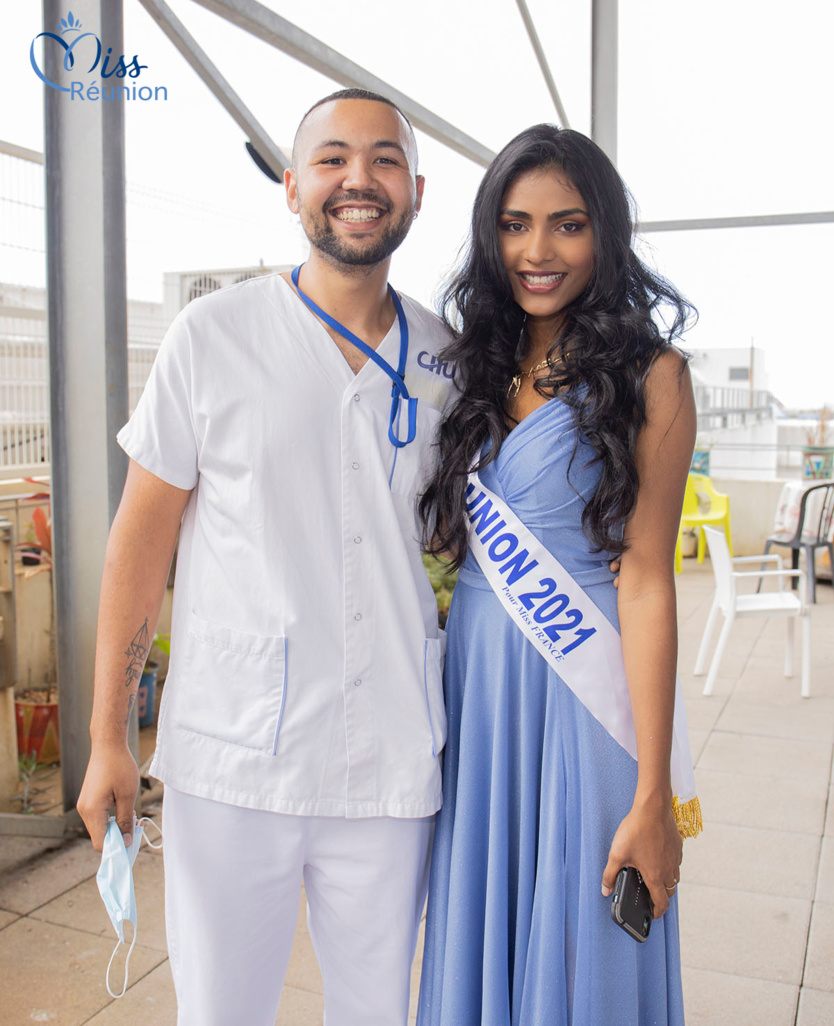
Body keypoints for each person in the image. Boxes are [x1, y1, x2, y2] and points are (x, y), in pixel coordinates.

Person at [76, 88, 455, 1026]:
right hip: (236, 759)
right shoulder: (215, 336)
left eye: (384, 160)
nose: (357, 179)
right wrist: (107, 738)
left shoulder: (451, 357)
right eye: (331, 159)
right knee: (221, 1013)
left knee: (378, 1013)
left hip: (390, 762)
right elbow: (139, 546)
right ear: (292, 188)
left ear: (416, 189)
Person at [416, 124, 702, 1025]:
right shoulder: (471, 365)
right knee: (487, 919)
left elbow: (648, 579)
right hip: (481, 692)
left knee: (586, 937)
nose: (536, 252)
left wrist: (654, 792)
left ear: (606, 234)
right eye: (514, 224)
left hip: (584, 699)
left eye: (567, 225)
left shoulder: (653, 378)